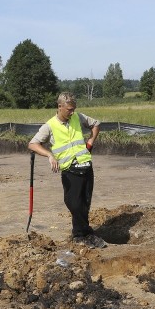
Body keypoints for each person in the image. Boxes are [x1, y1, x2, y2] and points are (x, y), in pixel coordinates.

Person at [29, 91, 105, 248]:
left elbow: (96, 124)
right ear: (60, 107)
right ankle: (82, 233)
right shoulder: (50, 126)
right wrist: (49, 155)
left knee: (85, 203)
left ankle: (82, 234)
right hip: (70, 171)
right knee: (74, 203)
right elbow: (33, 144)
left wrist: (90, 143)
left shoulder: (78, 117)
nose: (72, 112)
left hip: (86, 167)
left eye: (74, 109)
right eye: (69, 109)